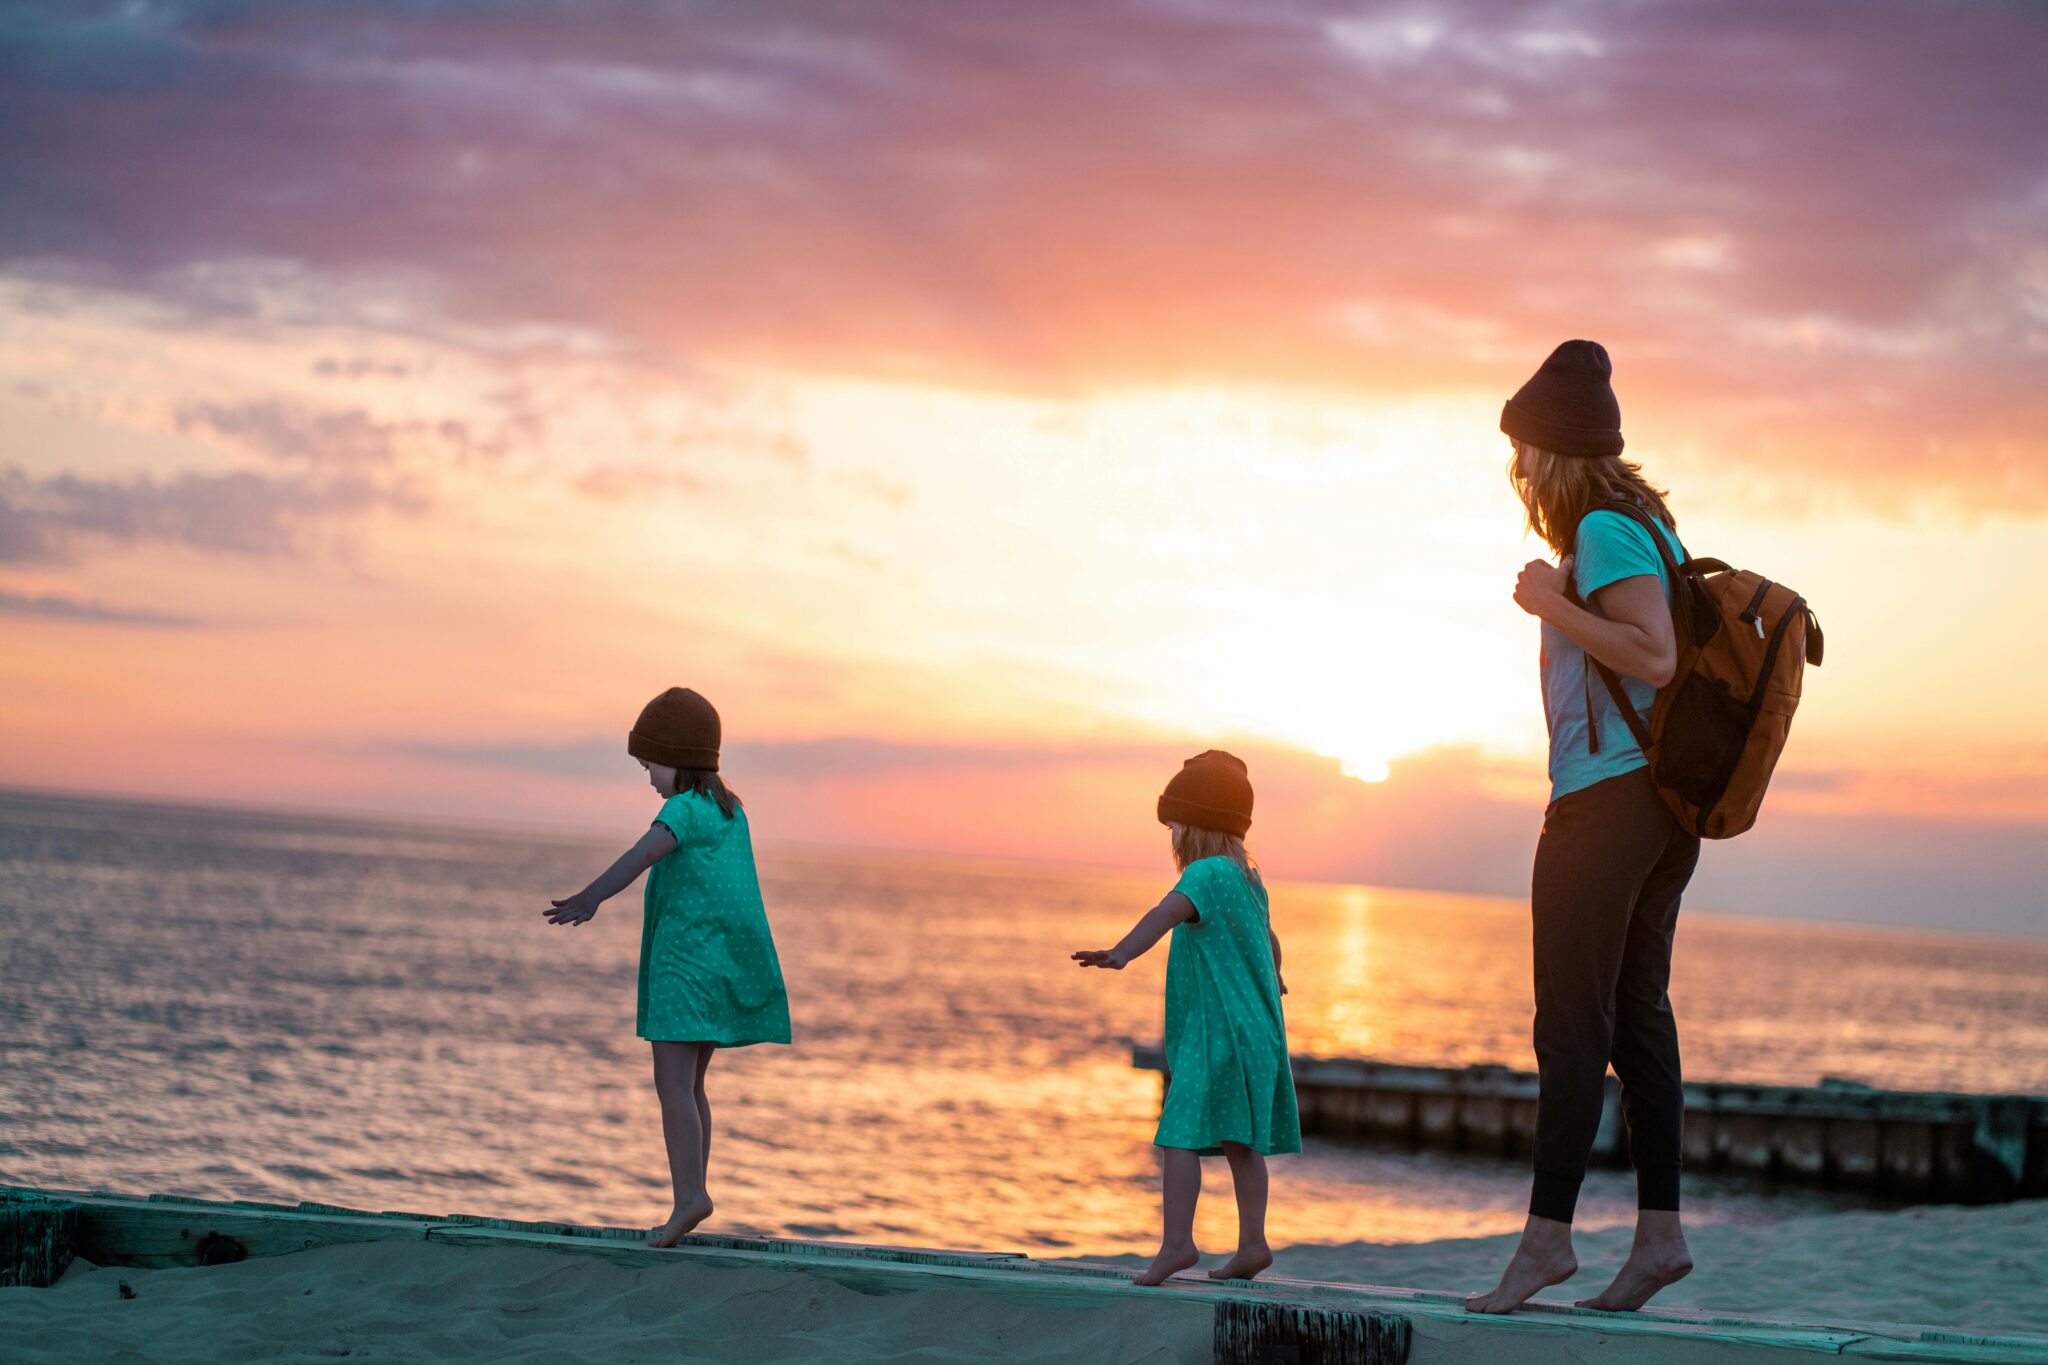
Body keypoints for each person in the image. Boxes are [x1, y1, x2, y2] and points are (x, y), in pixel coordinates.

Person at [1466, 341, 1702, 1316]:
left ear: (1549, 456)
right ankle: (1657, 1239)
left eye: (1522, 454)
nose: (1515, 473)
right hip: (1662, 807)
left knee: (1569, 1029)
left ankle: (1543, 1245)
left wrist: (1549, 600)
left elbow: (1650, 655)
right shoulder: (1648, 522)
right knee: (1636, 1021)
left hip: (1605, 804)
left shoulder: (1604, 530)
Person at [545, 686, 791, 1248]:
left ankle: (689, 1199)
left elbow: (642, 854)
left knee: (672, 1085)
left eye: (650, 764)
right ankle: (693, 1194)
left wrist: (591, 897)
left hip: (685, 969)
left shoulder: (681, 809)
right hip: (717, 966)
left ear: (680, 759)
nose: (649, 777)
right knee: (693, 1086)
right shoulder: (729, 811)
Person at [1073, 750, 1299, 1287]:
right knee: (1241, 1141)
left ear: (1193, 827)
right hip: (1258, 1029)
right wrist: (1276, 979)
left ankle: (1177, 1245)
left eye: (1175, 825)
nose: (1172, 836)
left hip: (1216, 1032)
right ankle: (1253, 1244)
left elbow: (1165, 912)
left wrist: (1122, 951)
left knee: (1179, 1131)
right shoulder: (1247, 876)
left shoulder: (1205, 873)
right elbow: (1270, 939)